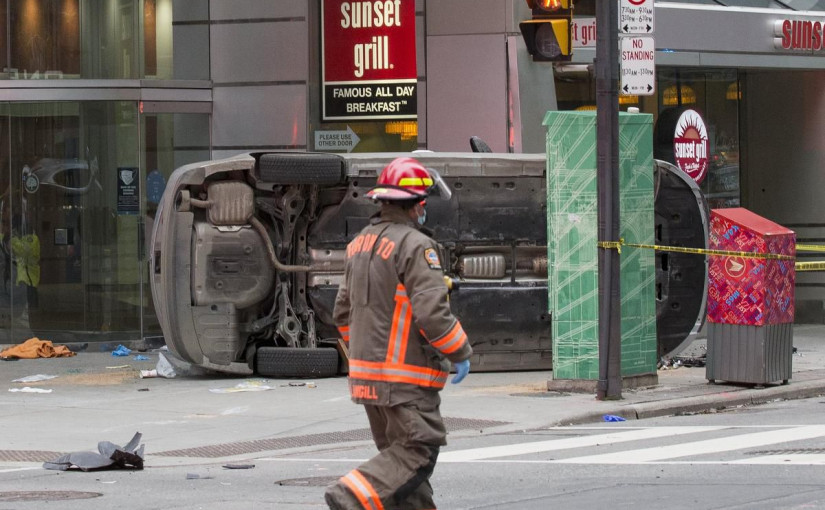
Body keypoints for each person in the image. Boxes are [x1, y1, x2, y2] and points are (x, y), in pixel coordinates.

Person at [325, 157, 472, 510]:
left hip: (368, 381)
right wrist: (460, 352)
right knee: (417, 452)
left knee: (403, 472)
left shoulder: (359, 244)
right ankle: (349, 496)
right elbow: (432, 315)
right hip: (405, 381)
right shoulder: (416, 246)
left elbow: (342, 314)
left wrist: (367, 354)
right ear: (418, 204)